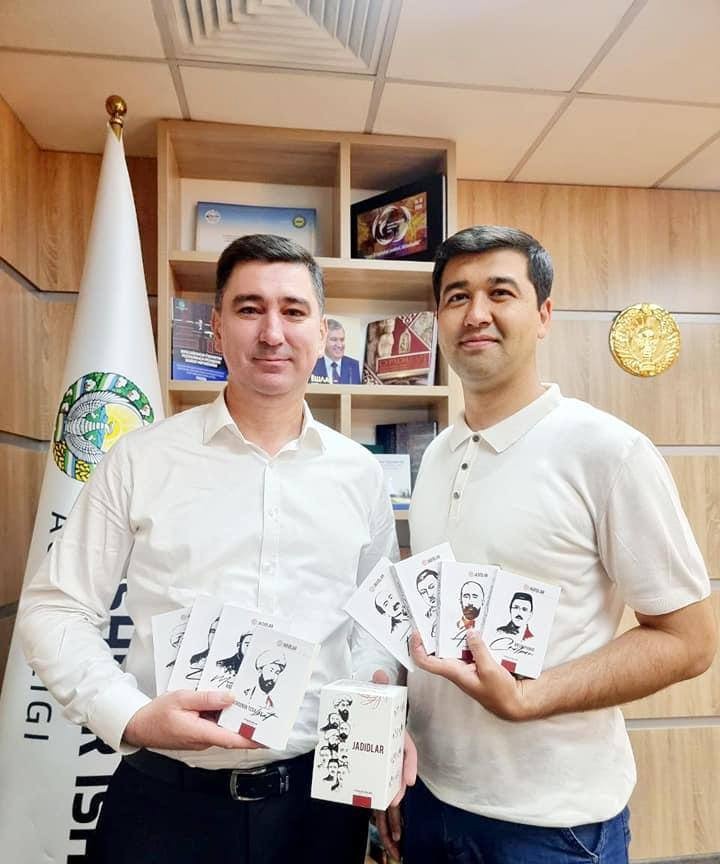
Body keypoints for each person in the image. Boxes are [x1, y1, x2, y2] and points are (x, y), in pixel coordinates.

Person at [18, 234, 416, 864]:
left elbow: (377, 623)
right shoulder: (141, 459)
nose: (272, 332)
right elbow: (54, 607)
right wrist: (131, 716)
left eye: (293, 310)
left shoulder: (359, 474)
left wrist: (376, 715)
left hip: (318, 808)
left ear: (320, 331)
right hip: (164, 803)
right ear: (218, 327)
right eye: (249, 308)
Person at [375, 225, 716, 863]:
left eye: (500, 292)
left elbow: (689, 640)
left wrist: (531, 696)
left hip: (553, 827)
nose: (476, 313)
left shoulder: (609, 451)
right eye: (456, 296)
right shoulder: (439, 455)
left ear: (544, 315)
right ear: (438, 319)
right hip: (432, 799)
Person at [310, 318, 361, 383]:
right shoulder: (312, 364)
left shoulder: (354, 366)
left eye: (342, 340)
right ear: (323, 340)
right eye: (334, 339)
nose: (339, 345)